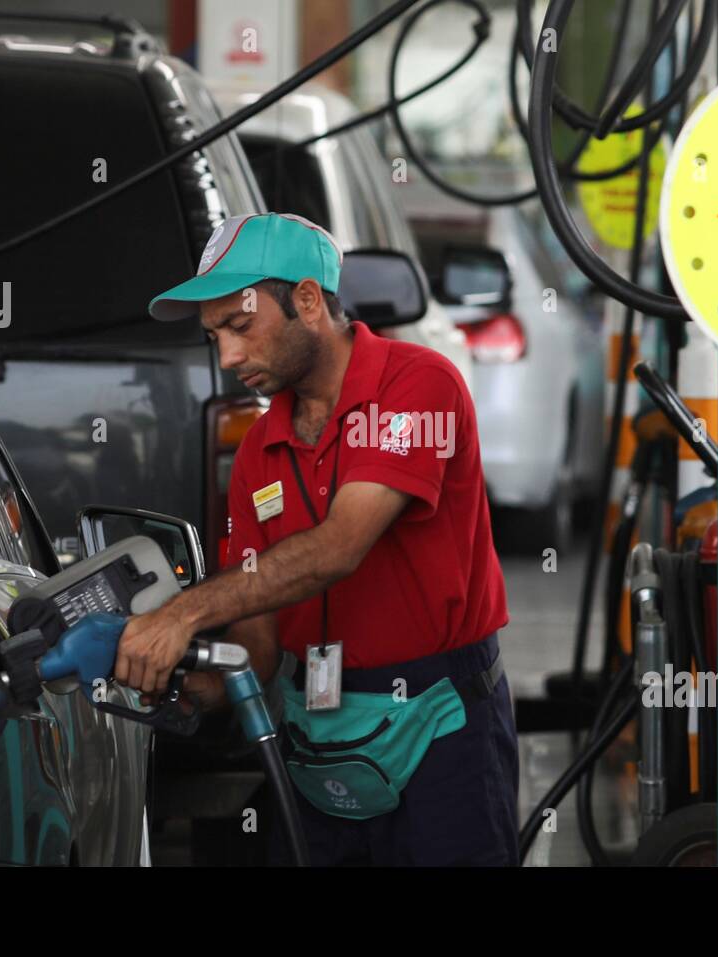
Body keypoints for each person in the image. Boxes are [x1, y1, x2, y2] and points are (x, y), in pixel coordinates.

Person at [121, 212, 517, 865]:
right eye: (215, 335)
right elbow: (262, 645)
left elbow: (339, 547)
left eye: (241, 325)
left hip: (440, 724)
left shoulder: (419, 385)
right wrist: (194, 684)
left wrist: (180, 614)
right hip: (316, 731)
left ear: (307, 300)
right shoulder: (257, 449)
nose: (228, 357)